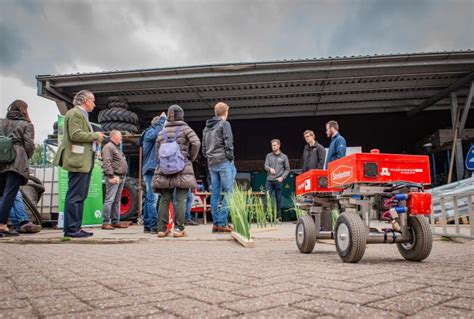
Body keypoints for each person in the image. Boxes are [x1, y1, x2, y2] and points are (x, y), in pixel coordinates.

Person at [54, 90, 104, 238]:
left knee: (79, 195)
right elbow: (75, 135)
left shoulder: (80, 114)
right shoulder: (75, 113)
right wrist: (95, 136)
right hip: (78, 161)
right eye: (92, 100)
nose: (94, 104)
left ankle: (76, 227)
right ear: (84, 100)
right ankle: (71, 229)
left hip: (84, 162)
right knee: (75, 195)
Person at [153, 104, 200, 238]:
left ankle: (161, 229)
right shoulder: (185, 128)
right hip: (182, 168)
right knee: (180, 199)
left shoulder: (162, 132)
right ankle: (179, 229)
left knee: (164, 199)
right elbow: (196, 143)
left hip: (165, 170)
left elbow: (157, 149)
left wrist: (162, 162)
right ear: (181, 115)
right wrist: (190, 156)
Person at [0, 100, 35, 237]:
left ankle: (8, 224)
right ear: (24, 110)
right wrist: (25, 156)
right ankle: (2, 225)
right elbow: (30, 146)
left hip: (1, 160)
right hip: (17, 161)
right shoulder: (26, 125)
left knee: (3, 194)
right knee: (10, 194)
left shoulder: (1, 122)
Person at [202, 102, 236, 233]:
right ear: (225, 112)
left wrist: (209, 157)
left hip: (211, 163)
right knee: (230, 192)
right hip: (223, 161)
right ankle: (222, 222)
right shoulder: (224, 124)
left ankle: (216, 223)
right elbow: (229, 143)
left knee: (215, 193)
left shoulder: (206, 128)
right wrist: (230, 158)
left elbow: (204, 149)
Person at [140, 113, 166, 234]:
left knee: (149, 198)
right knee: (153, 199)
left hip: (150, 169)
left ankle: (147, 225)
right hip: (151, 170)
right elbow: (157, 133)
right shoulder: (149, 133)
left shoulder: (150, 134)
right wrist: (162, 120)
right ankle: (154, 225)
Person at [102, 130, 128, 230]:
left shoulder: (115, 147)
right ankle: (105, 223)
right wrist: (111, 176)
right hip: (114, 176)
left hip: (121, 176)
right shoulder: (108, 147)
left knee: (116, 201)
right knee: (110, 200)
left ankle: (115, 221)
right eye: (120, 136)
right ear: (114, 137)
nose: (121, 138)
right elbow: (107, 162)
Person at [264, 139, 290, 222]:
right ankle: (266, 217)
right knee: (266, 199)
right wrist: (269, 168)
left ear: (279, 145)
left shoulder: (284, 157)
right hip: (269, 181)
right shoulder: (269, 155)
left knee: (278, 199)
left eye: (275, 145)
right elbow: (265, 165)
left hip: (279, 181)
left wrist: (282, 177)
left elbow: (287, 169)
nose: (273, 147)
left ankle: (278, 218)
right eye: (272, 145)